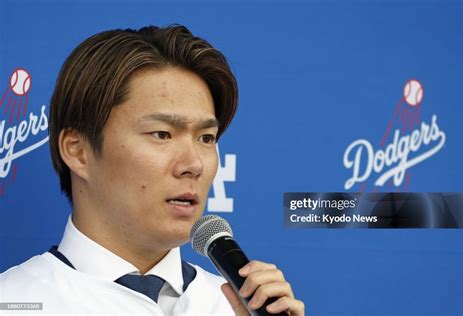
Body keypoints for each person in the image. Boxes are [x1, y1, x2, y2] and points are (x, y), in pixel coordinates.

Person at [0, 25, 304, 315]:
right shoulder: (11, 301)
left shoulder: (235, 307)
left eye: (206, 138)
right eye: (162, 134)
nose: (194, 164)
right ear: (77, 151)